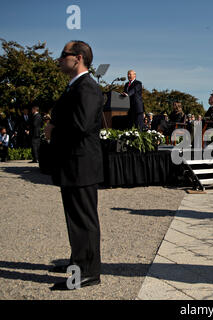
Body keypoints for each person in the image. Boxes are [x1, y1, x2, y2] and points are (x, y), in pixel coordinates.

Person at [45, 40, 104, 290]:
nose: (59, 59)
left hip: (81, 164)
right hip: (73, 163)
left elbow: (81, 125)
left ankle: (87, 272)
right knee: (75, 218)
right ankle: (76, 260)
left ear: (77, 58)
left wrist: (53, 130)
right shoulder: (75, 86)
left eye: (63, 55)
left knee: (83, 220)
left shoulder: (87, 87)